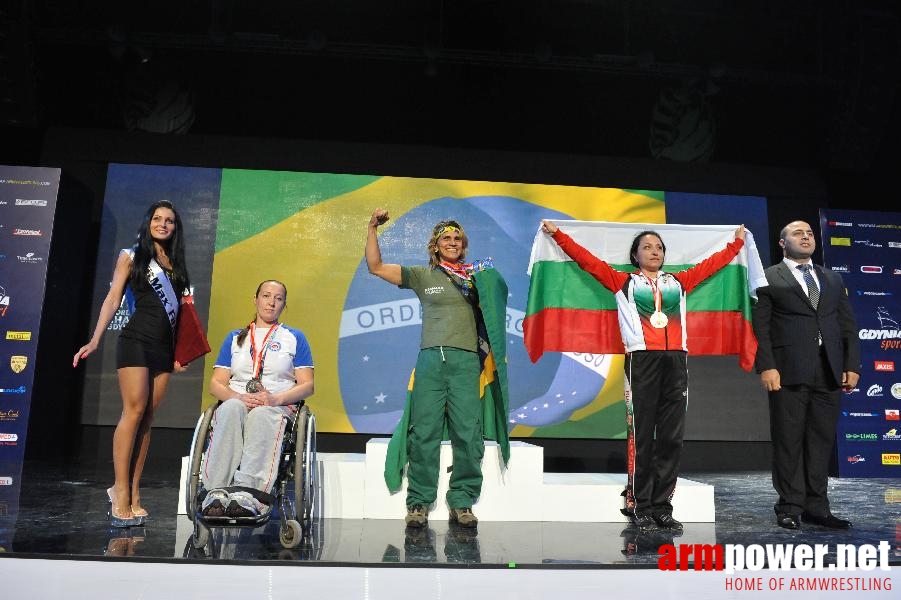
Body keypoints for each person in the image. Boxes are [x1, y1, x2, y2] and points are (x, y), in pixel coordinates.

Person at [541, 219, 745, 533]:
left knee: (671, 438)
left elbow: (712, 265)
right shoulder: (623, 282)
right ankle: (640, 504)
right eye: (647, 247)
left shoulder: (679, 282)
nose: (654, 251)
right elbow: (587, 261)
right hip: (641, 361)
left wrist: (736, 244)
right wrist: (558, 235)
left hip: (676, 361)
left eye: (659, 247)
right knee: (642, 436)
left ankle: (663, 507)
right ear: (635, 255)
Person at [367, 209, 509, 529]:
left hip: (465, 363)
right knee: (424, 434)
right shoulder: (422, 276)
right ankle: (418, 502)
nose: (453, 242)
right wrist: (372, 227)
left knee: (468, 434)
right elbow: (374, 266)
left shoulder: (476, 277)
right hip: (431, 360)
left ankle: (462, 500)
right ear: (435, 245)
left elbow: (498, 300)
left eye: (458, 238)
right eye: (446, 237)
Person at [74, 200, 191, 527]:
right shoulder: (132, 255)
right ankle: (119, 490)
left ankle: (134, 492)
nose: (163, 224)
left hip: (164, 349)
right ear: (148, 221)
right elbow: (113, 298)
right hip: (136, 341)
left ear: (174, 227)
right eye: (157, 218)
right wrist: (95, 339)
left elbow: (181, 314)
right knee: (134, 411)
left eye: (169, 220)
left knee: (147, 419)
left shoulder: (176, 265)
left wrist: (181, 352)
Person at [752, 221, 860, 530]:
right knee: (789, 441)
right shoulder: (768, 277)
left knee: (820, 441)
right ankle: (789, 506)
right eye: (798, 233)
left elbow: (847, 326)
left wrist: (852, 365)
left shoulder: (832, 278)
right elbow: (761, 327)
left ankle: (817, 507)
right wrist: (767, 366)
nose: (806, 236)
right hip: (787, 370)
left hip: (828, 371)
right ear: (782, 243)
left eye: (810, 233)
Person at [200, 280, 315, 519]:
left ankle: (250, 493)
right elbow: (215, 384)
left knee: (263, 414)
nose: (271, 302)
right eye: (266, 295)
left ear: (284, 304)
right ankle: (215, 492)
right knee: (231, 408)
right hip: (238, 400)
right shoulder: (235, 338)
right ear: (256, 299)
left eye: (278, 298)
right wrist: (239, 396)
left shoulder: (293, 337)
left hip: (276, 405)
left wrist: (275, 399)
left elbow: (307, 385)